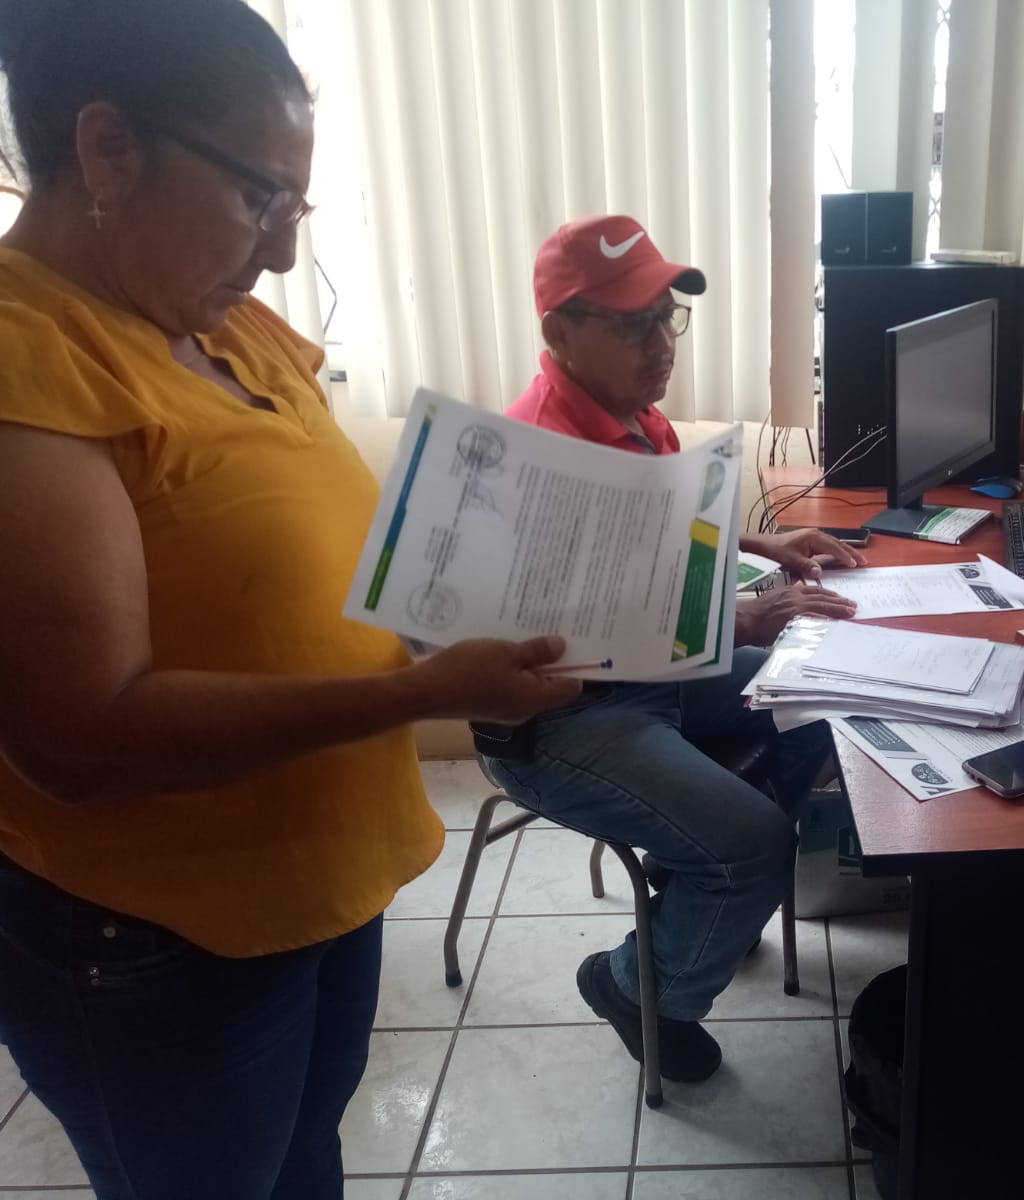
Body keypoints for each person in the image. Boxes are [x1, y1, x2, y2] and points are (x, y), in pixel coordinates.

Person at [0, 3, 579, 1196]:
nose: (276, 254)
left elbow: (323, 558)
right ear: (108, 149)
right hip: (158, 935)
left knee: (305, 1162)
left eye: (295, 211)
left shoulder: (231, 331)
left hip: (319, 883)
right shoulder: (30, 354)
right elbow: (80, 736)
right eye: (260, 197)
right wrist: (418, 692)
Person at [482, 215, 864, 1083]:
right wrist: (743, 623)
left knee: (819, 691)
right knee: (753, 844)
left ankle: (693, 873)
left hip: (653, 676)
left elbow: (664, 535)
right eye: (632, 326)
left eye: (666, 318)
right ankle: (632, 983)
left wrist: (764, 546)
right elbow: (589, 633)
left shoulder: (631, 417)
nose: (661, 346)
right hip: (563, 716)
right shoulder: (540, 455)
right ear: (559, 332)